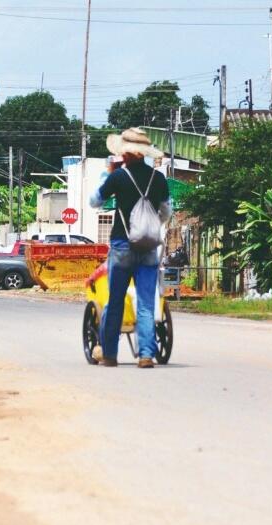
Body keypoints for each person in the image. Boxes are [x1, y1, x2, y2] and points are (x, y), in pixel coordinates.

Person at [89, 128, 172, 369]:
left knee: (115, 301)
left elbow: (95, 201)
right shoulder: (159, 179)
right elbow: (166, 213)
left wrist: (107, 176)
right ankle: (146, 354)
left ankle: (110, 355)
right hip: (147, 247)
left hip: (121, 245)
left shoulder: (118, 177)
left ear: (128, 154)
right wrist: (148, 224)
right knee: (146, 302)